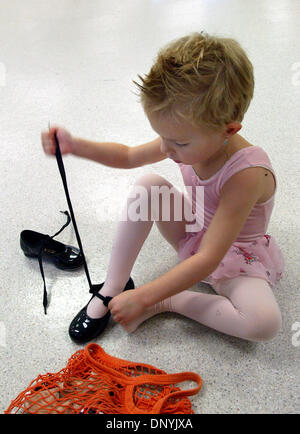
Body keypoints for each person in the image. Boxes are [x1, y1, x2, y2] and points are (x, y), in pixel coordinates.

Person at [41, 31, 284, 344]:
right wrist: (76, 146)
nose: (167, 150)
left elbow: (210, 258)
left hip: (235, 254)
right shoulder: (183, 136)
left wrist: (146, 297)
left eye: (179, 143)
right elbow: (128, 156)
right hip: (195, 231)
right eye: (162, 137)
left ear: (229, 130)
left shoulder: (247, 174)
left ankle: (169, 302)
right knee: (148, 185)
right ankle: (113, 286)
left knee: (264, 323)